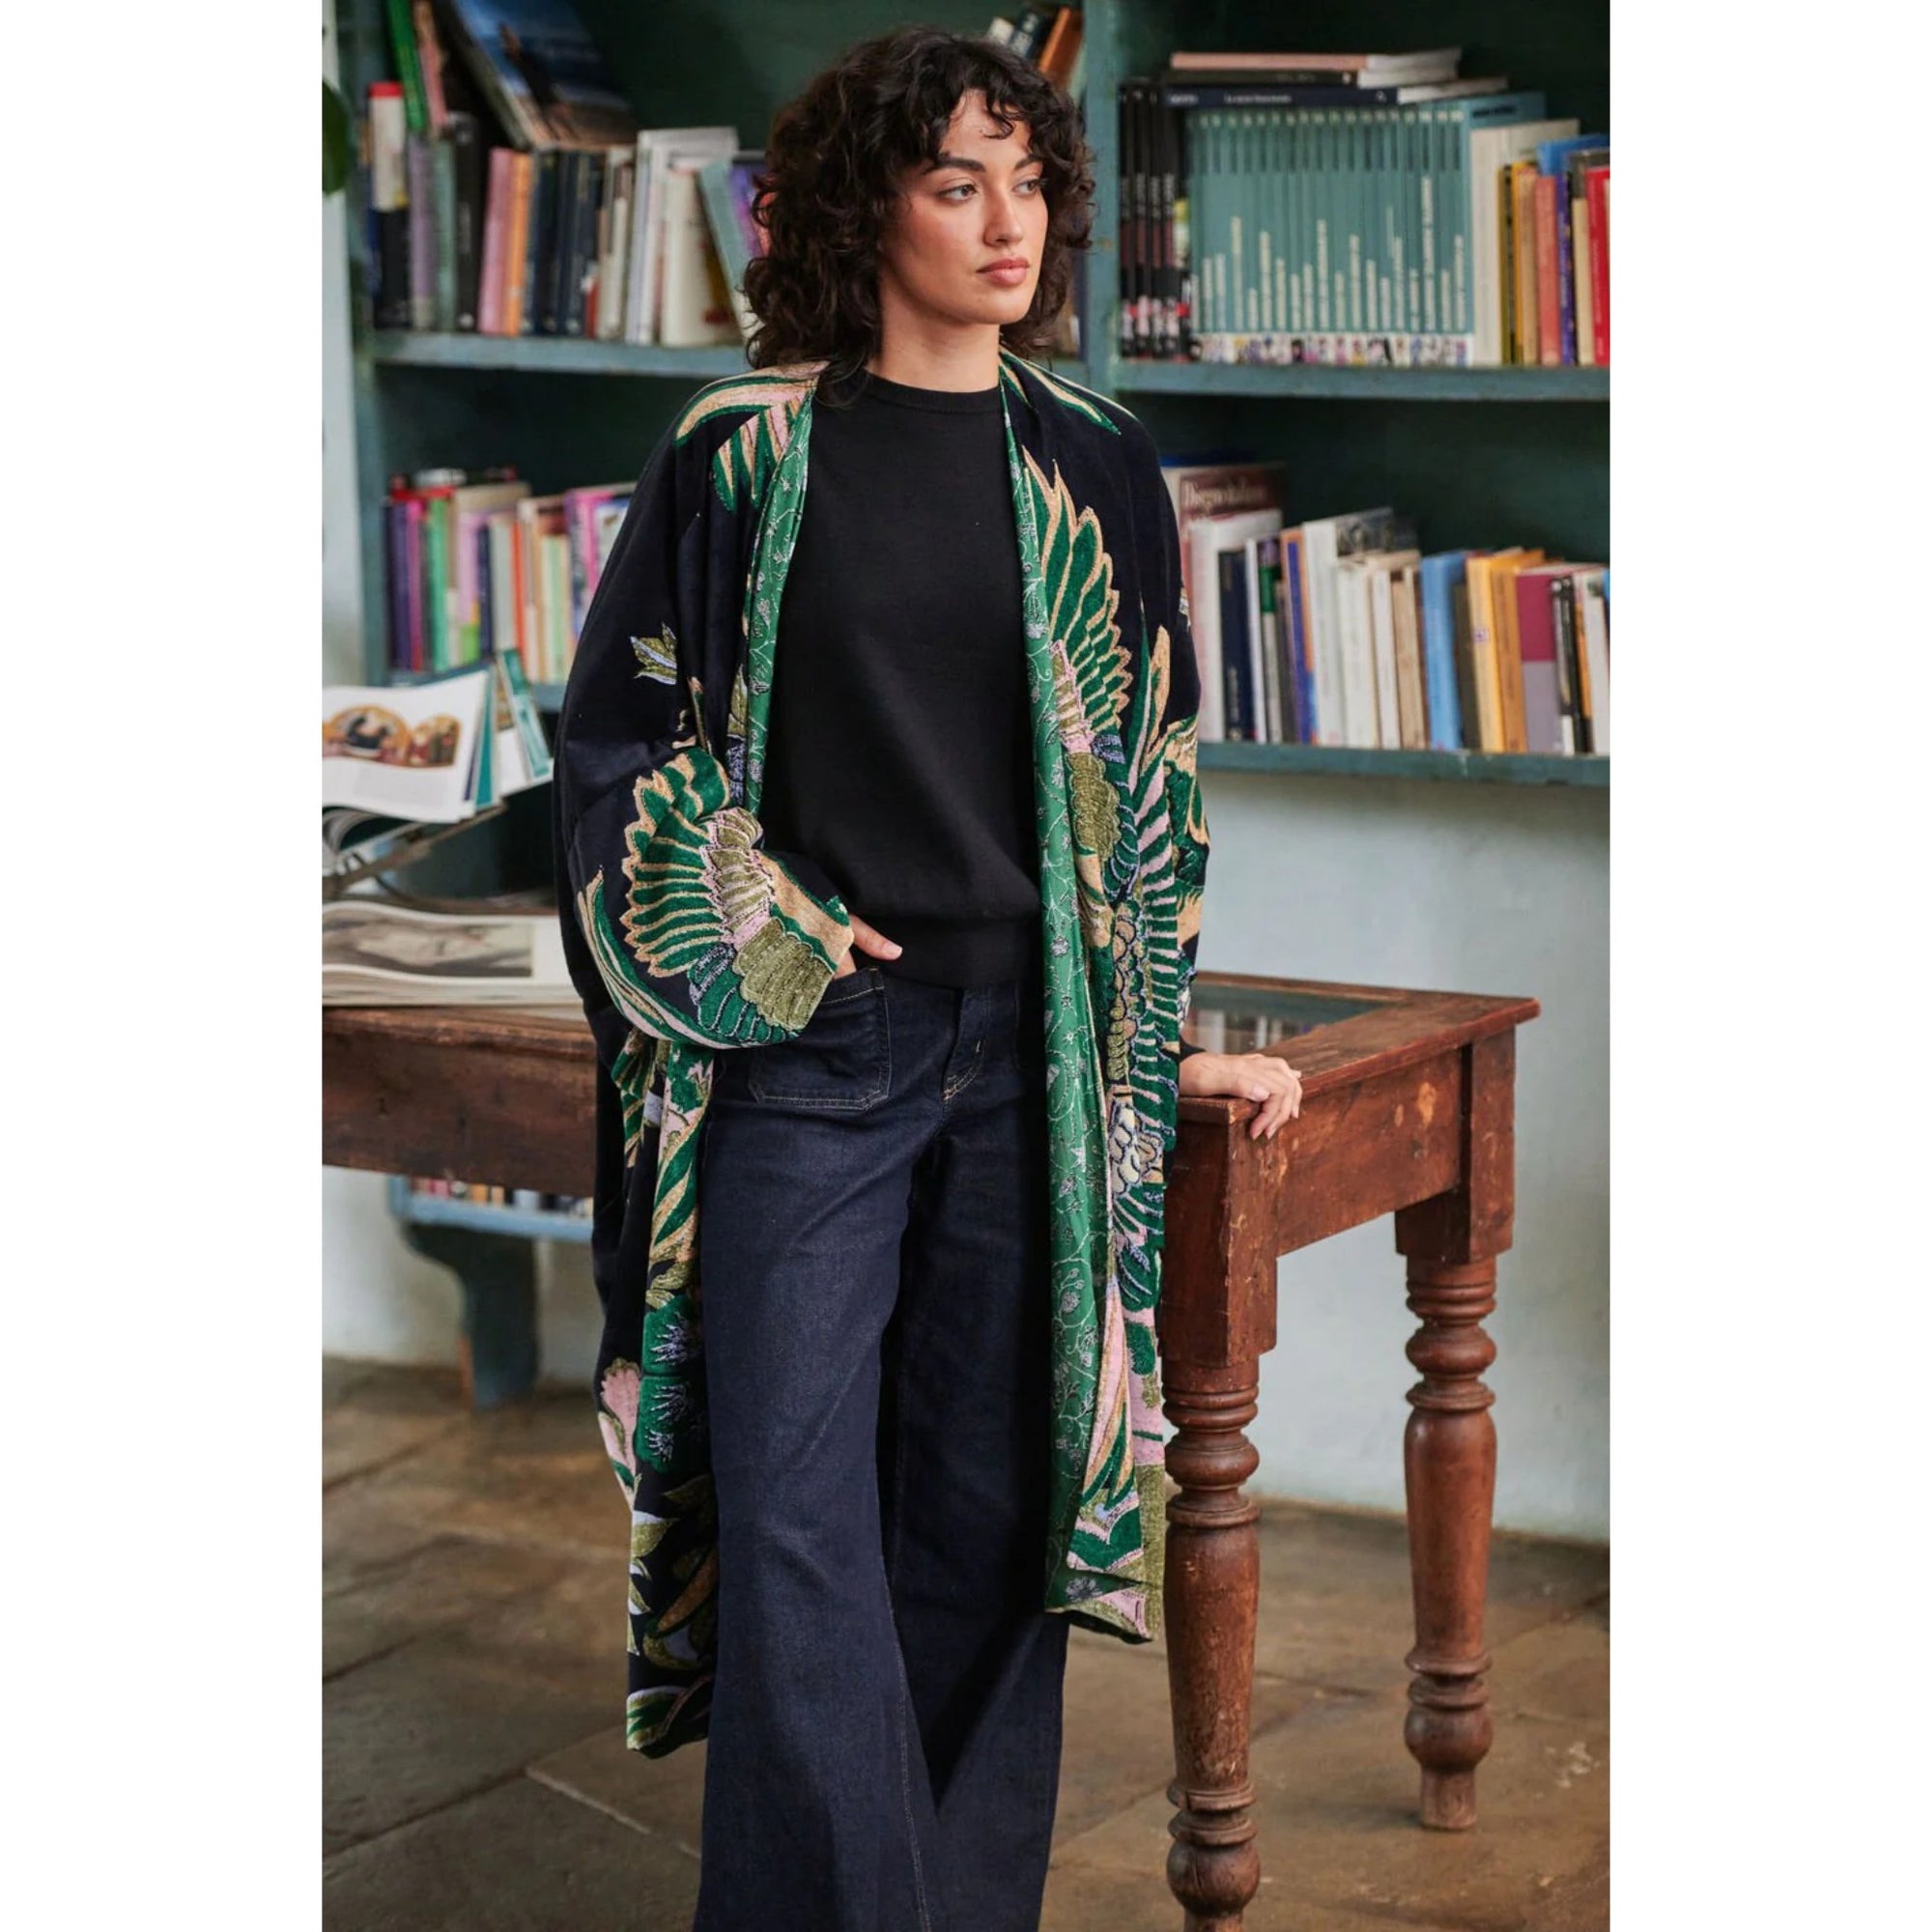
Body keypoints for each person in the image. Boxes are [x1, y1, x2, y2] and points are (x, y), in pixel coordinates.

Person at [551, 26, 1302, 1931]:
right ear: (867, 207)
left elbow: (1147, 803)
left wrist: (1164, 1065)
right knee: (797, 1529)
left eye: (1029, 179)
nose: (1007, 222)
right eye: (956, 180)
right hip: (814, 1054)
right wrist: (768, 922)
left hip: (1039, 1063)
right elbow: (621, 751)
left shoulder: (1101, 466)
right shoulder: (745, 455)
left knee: (981, 1534)